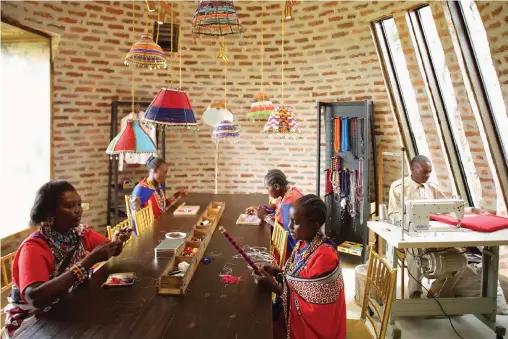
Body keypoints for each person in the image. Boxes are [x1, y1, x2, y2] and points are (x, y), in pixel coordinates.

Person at [2, 180, 132, 339]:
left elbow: (109, 250)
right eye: (69, 206)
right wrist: (88, 261)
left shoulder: (79, 233)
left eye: (79, 204)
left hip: (66, 307)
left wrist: (118, 241)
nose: (77, 210)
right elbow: (35, 298)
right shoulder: (34, 247)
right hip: (35, 321)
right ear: (50, 213)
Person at [387, 155, 483, 298]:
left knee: (461, 259)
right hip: (411, 234)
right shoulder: (398, 187)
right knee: (416, 256)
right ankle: (415, 293)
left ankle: (438, 291)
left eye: (429, 172)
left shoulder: (433, 188)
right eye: (424, 172)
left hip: (434, 234)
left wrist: (468, 210)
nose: (428, 176)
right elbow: (392, 215)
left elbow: (448, 207)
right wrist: (410, 222)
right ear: (412, 170)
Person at [253, 195, 346, 339]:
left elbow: (314, 309)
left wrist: (275, 287)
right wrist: (278, 272)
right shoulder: (303, 243)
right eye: (290, 221)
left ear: (314, 226)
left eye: (295, 223)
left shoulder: (324, 257)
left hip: (317, 329)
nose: (289, 226)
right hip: (293, 314)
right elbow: (299, 282)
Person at [246, 169, 303, 255]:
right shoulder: (288, 192)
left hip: (294, 246)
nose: (267, 192)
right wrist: (259, 208)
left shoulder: (289, 203)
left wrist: (265, 217)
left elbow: (287, 231)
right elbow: (276, 206)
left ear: (276, 186)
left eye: (267, 188)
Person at [131, 156, 189, 222]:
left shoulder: (158, 185)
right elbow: (134, 219)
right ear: (154, 170)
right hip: (149, 230)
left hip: (161, 224)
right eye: (164, 172)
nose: (166, 175)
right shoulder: (141, 189)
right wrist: (136, 208)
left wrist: (177, 195)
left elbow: (162, 206)